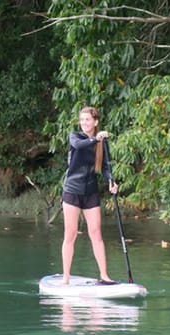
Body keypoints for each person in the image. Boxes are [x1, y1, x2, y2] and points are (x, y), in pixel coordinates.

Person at [61, 106, 118, 285]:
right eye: (82, 120)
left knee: (96, 233)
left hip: (91, 192)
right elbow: (80, 145)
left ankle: (104, 275)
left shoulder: (101, 142)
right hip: (72, 191)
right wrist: (96, 138)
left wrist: (111, 181)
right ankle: (66, 278)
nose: (84, 123)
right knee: (70, 234)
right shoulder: (75, 137)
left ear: (95, 122)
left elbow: (106, 166)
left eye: (88, 120)